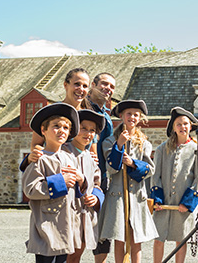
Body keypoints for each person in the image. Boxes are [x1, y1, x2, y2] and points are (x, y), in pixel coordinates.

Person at [97, 100, 158, 263]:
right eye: (129, 114)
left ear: (140, 118)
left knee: (136, 240)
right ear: (122, 116)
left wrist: (133, 163)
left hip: (137, 197)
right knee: (119, 238)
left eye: (136, 114)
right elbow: (111, 168)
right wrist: (119, 145)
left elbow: (150, 169)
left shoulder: (144, 143)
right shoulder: (109, 141)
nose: (132, 117)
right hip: (118, 197)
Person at [22, 102, 81, 263]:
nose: (61, 131)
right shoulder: (38, 158)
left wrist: (80, 179)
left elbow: (77, 189)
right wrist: (61, 181)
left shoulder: (70, 158)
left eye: (65, 128)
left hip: (66, 223)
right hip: (46, 223)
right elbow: (30, 189)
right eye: (56, 126)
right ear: (43, 130)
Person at [151, 107, 198, 263]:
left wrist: (188, 203)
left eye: (185, 123)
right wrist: (157, 200)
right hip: (163, 203)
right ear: (173, 127)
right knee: (159, 239)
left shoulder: (196, 150)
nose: (182, 127)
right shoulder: (161, 149)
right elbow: (155, 177)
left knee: (181, 240)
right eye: (178, 124)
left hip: (183, 203)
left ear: (190, 126)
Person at [21, 68, 92, 172]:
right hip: (55, 170)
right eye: (77, 84)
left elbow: (91, 150)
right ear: (65, 85)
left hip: (80, 172)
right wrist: (53, 157)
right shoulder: (51, 112)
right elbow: (35, 146)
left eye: (85, 86)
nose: (81, 89)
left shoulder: (89, 117)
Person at [63, 109, 106, 263]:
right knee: (64, 255)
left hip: (84, 215)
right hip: (67, 215)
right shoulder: (63, 152)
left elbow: (97, 184)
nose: (88, 133)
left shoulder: (91, 158)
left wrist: (95, 197)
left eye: (92, 130)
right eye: (84, 128)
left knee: (76, 255)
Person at [86, 73, 116, 263]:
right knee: (76, 228)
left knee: (102, 230)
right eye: (104, 84)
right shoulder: (81, 107)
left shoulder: (107, 116)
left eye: (112, 86)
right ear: (93, 85)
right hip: (80, 174)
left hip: (101, 178)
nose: (108, 88)